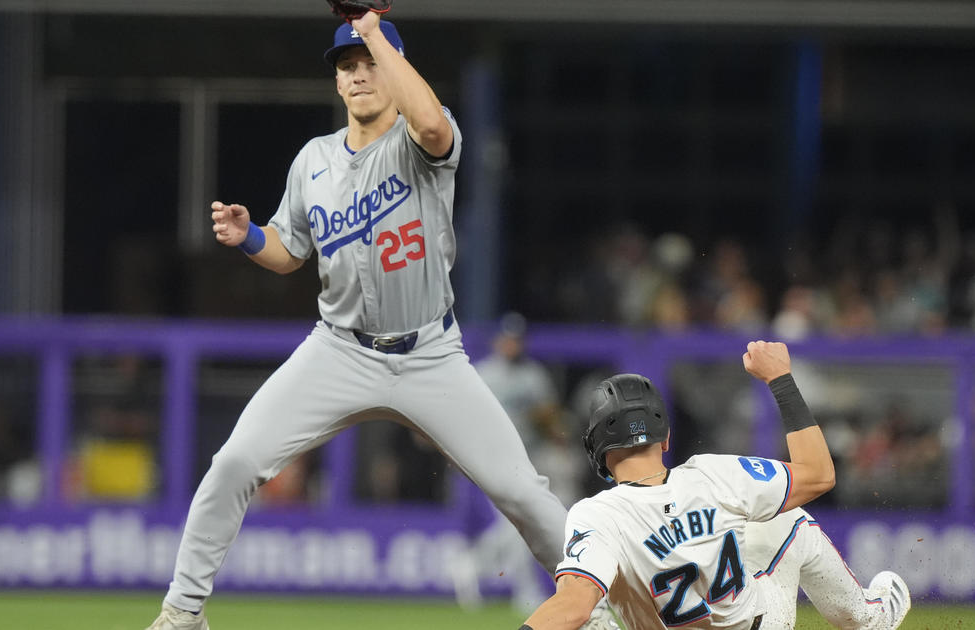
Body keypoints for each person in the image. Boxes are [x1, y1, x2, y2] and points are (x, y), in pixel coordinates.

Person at [145, 11, 569, 630]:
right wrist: (248, 236)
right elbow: (290, 253)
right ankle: (183, 612)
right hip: (338, 351)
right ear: (337, 82)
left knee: (523, 494)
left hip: (430, 354)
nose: (359, 74)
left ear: (397, 69)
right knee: (234, 462)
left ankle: (612, 602)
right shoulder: (313, 159)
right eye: (347, 66)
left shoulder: (423, 142)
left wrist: (373, 31)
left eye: (370, 63)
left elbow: (428, 121)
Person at [518, 341, 911, 630]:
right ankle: (870, 619)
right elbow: (820, 474)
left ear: (598, 449)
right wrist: (780, 379)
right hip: (756, 623)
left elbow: (572, 606)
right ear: (665, 439)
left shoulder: (598, 514)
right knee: (785, 521)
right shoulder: (712, 475)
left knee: (593, 610)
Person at [452, 313, 585, 615]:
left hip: (530, 458)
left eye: (517, 339)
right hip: (494, 458)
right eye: (508, 338)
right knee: (516, 524)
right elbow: (465, 417)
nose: (512, 344)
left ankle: (474, 563)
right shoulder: (482, 373)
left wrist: (554, 432)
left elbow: (550, 419)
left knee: (519, 524)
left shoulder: (533, 375)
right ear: (498, 340)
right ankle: (524, 593)